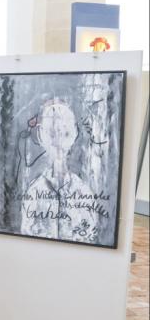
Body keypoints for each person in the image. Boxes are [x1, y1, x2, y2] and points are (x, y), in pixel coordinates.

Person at [20, 99, 98, 243]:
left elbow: (90, 237)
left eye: (65, 132)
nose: (58, 141)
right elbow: (26, 235)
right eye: (51, 133)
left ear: (74, 134)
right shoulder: (33, 192)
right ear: (41, 135)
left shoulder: (84, 192)